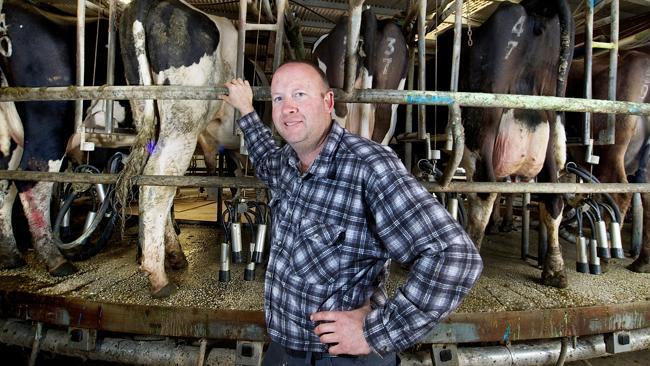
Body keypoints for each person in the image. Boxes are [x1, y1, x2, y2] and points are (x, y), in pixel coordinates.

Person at [222, 61, 482, 365]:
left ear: (328, 102)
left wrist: (377, 331)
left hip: (342, 356)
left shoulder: (370, 166)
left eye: (300, 94)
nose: (287, 108)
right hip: (284, 347)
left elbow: (454, 256)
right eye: (279, 98)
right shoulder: (286, 163)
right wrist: (246, 111)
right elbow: (265, 158)